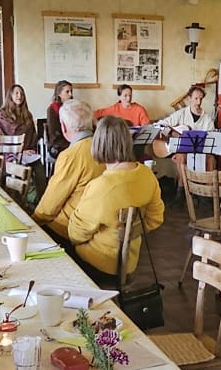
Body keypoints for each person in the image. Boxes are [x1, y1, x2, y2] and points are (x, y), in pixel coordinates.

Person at [64, 116, 166, 278]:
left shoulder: (101, 186)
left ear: (100, 144)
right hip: (130, 263)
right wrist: (130, 232)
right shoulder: (147, 175)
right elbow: (156, 219)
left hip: (98, 264)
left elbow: (76, 234)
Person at [34, 99, 103, 238]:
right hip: (100, 222)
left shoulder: (70, 155)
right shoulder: (104, 147)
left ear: (64, 127)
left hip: (71, 228)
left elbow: (50, 207)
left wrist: (32, 220)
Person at [43, 79, 75, 165]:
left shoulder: (73, 107)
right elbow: (54, 133)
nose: (70, 94)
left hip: (71, 139)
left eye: (71, 91)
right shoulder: (52, 109)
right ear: (59, 94)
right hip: (58, 143)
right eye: (67, 92)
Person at [0, 84, 35, 148]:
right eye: (17, 93)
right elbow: (0, 139)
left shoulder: (28, 115)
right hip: (8, 152)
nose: (20, 96)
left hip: (28, 152)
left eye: (22, 94)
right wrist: (19, 151)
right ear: (11, 96)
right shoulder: (1, 115)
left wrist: (32, 150)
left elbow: (33, 137)